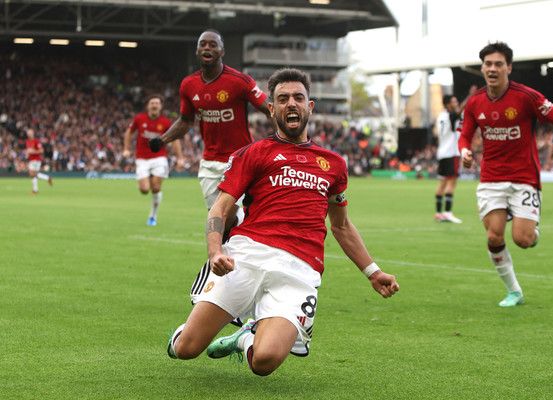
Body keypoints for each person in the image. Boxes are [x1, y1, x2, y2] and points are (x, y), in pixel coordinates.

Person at [166, 68, 400, 376]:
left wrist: (373, 272)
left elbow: (341, 226)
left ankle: (244, 337)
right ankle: (192, 334)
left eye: (298, 98)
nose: (292, 103)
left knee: (264, 362)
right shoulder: (253, 153)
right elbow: (220, 210)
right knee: (187, 349)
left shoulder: (333, 164)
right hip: (246, 256)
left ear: (309, 107)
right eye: (283, 98)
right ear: (272, 108)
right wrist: (215, 251)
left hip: (300, 269)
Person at [458, 42, 553, 307]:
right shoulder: (475, 102)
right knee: (494, 236)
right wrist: (465, 151)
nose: (493, 68)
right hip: (491, 179)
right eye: (488, 64)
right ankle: (514, 291)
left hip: (524, 179)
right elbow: (465, 134)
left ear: (508, 68)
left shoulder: (526, 97)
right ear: (482, 68)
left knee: (522, 240)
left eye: (498, 64)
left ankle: (533, 232)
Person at [149, 29, 273, 233]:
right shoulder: (189, 85)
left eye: (213, 44)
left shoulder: (240, 81)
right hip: (209, 163)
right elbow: (186, 121)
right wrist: (162, 140)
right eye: (203, 44)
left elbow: (270, 109)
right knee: (218, 220)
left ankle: (228, 258)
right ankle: (230, 255)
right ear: (197, 51)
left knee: (227, 216)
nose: (207, 47)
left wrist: (282, 140)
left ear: (222, 51)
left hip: (238, 159)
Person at [123, 94, 183, 226]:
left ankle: (153, 216)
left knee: (156, 188)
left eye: (157, 103)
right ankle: (150, 178)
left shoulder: (166, 122)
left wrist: (180, 158)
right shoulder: (139, 118)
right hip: (142, 158)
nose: (154, 105)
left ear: (161, 106)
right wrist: (126, 149)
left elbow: (175, 139)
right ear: (148, 106)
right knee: (144, 190)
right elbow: (129, 132)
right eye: (152, 103)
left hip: (159, 157)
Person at [434, 89, 474, 223]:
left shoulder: (441, 116)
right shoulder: (451, 115)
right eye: (454, 102)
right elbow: (457, 113)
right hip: (451, 153)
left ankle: (438, 213)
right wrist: (469, 95)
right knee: (451, 183)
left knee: (442, 183)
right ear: (448, 105)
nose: (457, 103)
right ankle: (448, 212)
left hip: (442, 153)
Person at [25, 128, 52, 194]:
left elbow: (41, 150)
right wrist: (27, 154)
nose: (28, 134)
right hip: (31, 159)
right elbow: (29, 150)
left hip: (37, 159)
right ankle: (46, 179)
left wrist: (33, 152)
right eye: (28, 133)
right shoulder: (27, 141)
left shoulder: (36, 141)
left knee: (32, 174)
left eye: (30, 133)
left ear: (32, 134)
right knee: (33, 174)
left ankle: (35, 189)